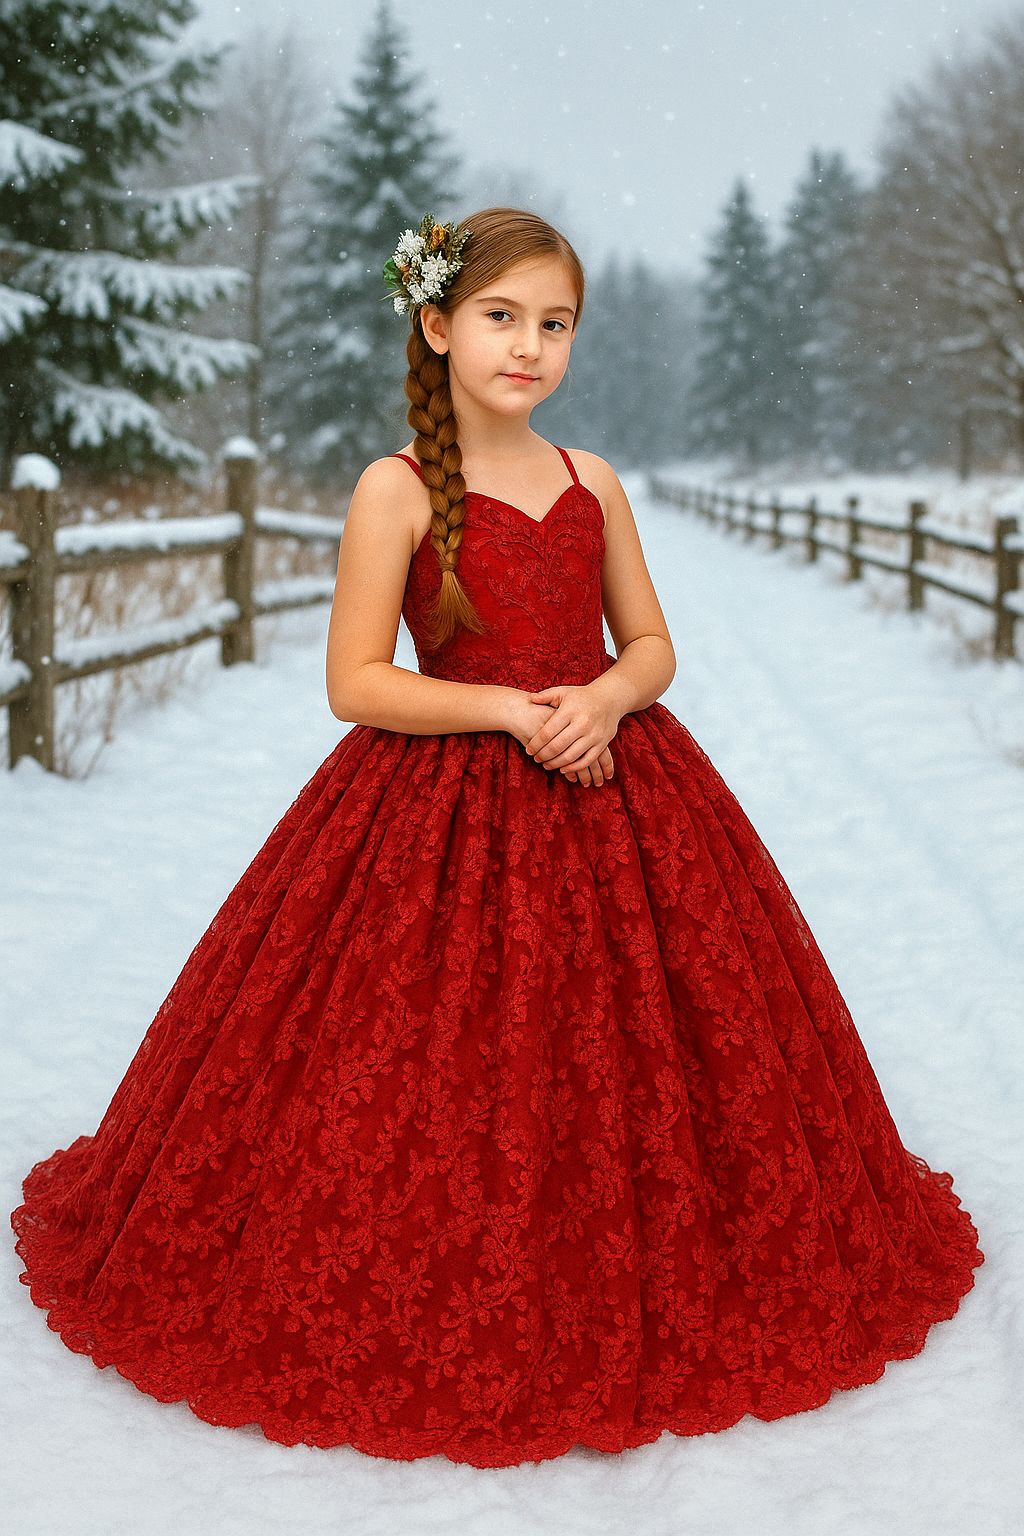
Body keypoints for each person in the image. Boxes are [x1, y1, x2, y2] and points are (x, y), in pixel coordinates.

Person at [11, 207, 982, 1470]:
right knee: (424, 1054)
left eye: (555, 323)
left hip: (614, 777)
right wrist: (508, 714)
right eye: (501, 317)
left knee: (640, 1040)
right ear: (436, 325)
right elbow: (357, 681)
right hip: (436, 802)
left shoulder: (593, 484)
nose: (529, 346)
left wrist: (604, 700)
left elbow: (652, 644)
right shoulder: (396, 489)